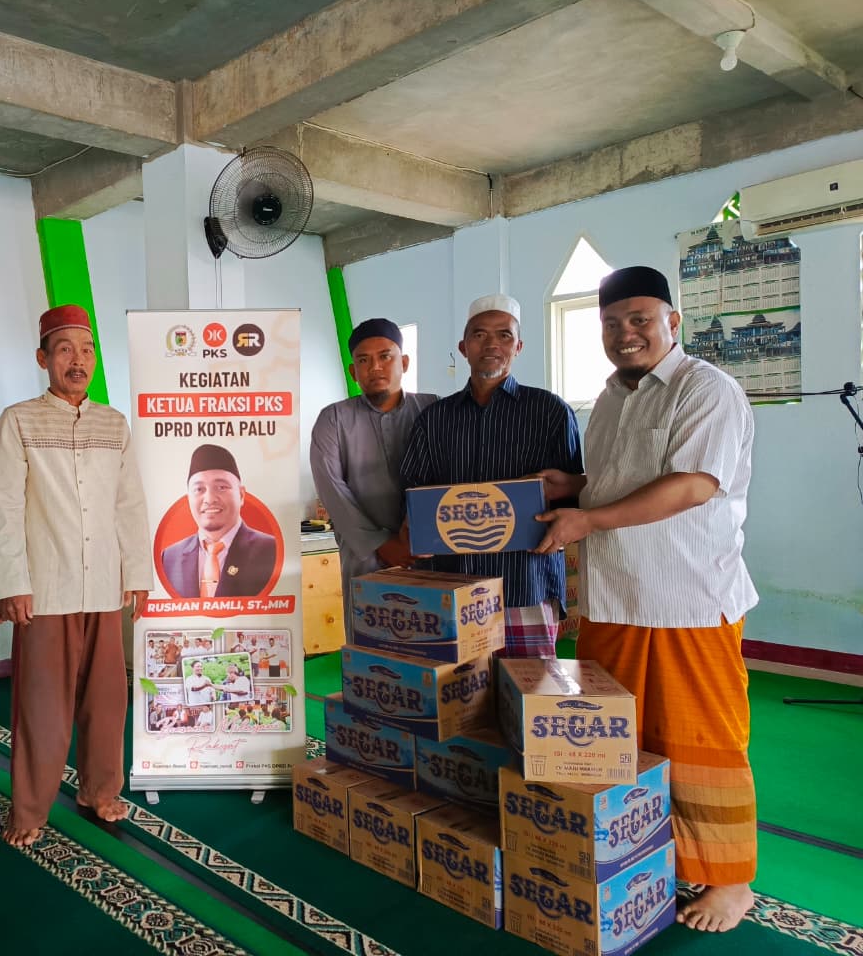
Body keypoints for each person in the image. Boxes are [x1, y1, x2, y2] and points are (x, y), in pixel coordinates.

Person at [534, 265, 758, 933]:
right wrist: (570, 486)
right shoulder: (609, 398)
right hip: (613, 599)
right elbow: (617, 480)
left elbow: (693, 485)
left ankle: (731, 880)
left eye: (639, 320)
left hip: (686, 599)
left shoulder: (706, 389)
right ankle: (647, 852)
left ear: (672, 322)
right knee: (621, 740)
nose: (624, 333)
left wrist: (587, 519)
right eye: (611, 323)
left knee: (703, 742)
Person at [0, 303, 153, 848]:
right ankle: (30, 809)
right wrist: (13, 583)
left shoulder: (113, 423)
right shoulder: (18, 420)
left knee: (107, 699)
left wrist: (138, 572)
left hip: (104, 583)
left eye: (86, 350)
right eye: (65, 350)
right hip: (45, 587)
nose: (77, 361)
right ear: (43, 359)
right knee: (41, 706)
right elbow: (5, 506)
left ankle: (100, 790)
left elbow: (129, 503)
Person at [399, 294, 583, 657]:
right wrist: (414, 530)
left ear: (518, 346)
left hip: (525, 585)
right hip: (453, 590)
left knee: (529, 685)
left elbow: (573, 496)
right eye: (480, 335)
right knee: (458, 691)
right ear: (463, 347)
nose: (491, 345)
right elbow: (413, 495)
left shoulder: (550, 412)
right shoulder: (434, 420)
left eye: (504, 335)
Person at [310, 317, 438, 625]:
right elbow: (332, 489)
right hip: (365, 558)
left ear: (404, 363)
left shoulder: (433, 409)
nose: (375, 367)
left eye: (385, 356)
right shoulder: (333, 419)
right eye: (364, 360)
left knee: (435, 637)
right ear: (353, 372)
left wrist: (416, 536)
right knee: (371, 643)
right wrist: (382, 544)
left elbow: (448, 474)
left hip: (428, 553)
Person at [160, 444, 277, 598]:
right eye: (199, 489)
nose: (209, 499)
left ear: (241, 495)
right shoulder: (170, 557)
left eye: (221, 487)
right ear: (188, 498)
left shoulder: (271, 550)